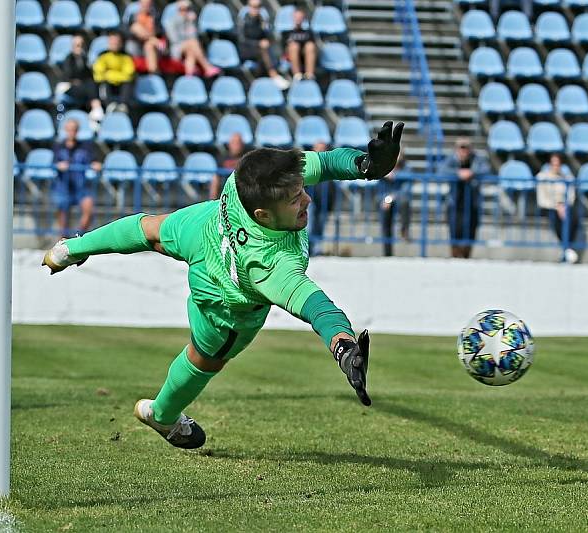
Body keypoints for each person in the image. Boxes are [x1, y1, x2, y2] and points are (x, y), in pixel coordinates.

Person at [43, 121, 405, 449]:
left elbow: (324, 165)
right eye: (296, 199)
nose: (306, 197)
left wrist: (366, 165)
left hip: (206, 226)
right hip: (223, 303)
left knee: (150, 229)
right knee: (204, 360)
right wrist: (342, 345)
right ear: (263, 215)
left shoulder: (248, 179)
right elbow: (316, 306)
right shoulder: (270, 266)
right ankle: (162, 415)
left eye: (301, 191)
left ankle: (68, 248)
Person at [440, 138, 489, 259]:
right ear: (456, 149)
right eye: (461, 148)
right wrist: (458, 173)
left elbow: (486, 169)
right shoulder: (451, 159)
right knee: (454, 229)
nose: (464, 151)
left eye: (466, 147)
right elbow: (442, 171)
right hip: (455, 201)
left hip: (473, 202)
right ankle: (455, 255)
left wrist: (472, 172)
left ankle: (466, 255)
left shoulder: (477, 159)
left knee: (471, 230)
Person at [52, 119, 102, 238]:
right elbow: (53, 164)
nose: (71, 132)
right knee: (61, 207)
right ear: (65, 130)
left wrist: (96, 165)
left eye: (74, 129)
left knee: (89, 207)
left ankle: (77, 237)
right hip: (63, 187)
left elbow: (95, 162)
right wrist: (59, 166)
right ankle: (62, 240)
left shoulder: (86, 146)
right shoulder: (58, 146)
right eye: (69, 129)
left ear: (77, 131)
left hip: (81, 187)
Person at [536, 154, 580, 263]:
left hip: (564, 207)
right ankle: (567, 248)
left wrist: (563, 206)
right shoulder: (542, 177)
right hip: (549, 207)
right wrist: (556, 207)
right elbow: (542, 200)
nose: (556, 166)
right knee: (555, 218)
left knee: (574, 217)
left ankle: (566, 249)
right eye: (553, 164)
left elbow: (571, 196)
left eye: (558, 164)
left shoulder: (567, 177)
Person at [239, 0, 290, 89]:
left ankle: (261, 82)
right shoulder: (243, 22)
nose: (256, 9)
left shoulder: (262, 21)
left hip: (261, 51)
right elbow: (242, 40)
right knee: (263, 49)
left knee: (269, 49)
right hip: (246, 50)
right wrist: (258, 43)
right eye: (254, 6)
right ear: (248, 7)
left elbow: (269, 37)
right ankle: (274, 75)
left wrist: (266, 27)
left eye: (258, 6)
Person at [163, 0, 221, 77]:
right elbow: (175, 40)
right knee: (192, 43)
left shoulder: (190, 22)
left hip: (190, 47)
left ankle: (189, 77)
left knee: (191, 54)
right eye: (183, 9)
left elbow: (195, 36)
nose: (185, 12)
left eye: (187, 9)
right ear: (178, 10)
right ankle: (207, 67)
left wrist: (191, 23)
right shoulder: (171, 22)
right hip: (176, 49)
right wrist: (184, 21)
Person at [57, 33, 104, 125]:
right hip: (70, 88)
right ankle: (96, 108)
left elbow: (89, 76)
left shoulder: (85, 59)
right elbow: (68, 76)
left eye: (81, 45)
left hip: (83, 88)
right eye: (77, 45)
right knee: (90, 85)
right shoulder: (69, 59)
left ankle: (95, 111)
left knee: (91, 84)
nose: (79, 47)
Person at [93, 30, 136, 111]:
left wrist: (109, 74)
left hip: (121, 86)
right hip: (108, 85)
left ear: (121, 43)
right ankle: (109, 106)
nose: (114, 44)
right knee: (103, 83)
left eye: (117, 42)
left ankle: (123, 106)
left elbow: (129, 74)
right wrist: (117, 75)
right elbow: (99, 73)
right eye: (112, 42)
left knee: (128, 83)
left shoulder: (126, 56)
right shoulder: (102, 55)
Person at [306, 141, 334, 256]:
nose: (320, 151)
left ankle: (316, 249)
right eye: (317, 149)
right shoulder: (308, 164)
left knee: (320, 225)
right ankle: (308, 249)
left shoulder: (330, 167)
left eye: (322, 149)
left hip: (325, 202)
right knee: (309, 225)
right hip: (309, 201)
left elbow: (333, 188)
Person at [379, 151, 410, 257]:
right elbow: (379, 189)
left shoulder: (406, 167)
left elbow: (406, 190)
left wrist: (395, 175)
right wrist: (387, 199)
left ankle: (404, 230)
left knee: (404, 202)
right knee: (385, 215)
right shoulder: (382, 166)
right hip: (385, 199)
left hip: (398, 199)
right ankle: (387, 252)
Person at [127, 0, 165, 74]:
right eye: (144, 4)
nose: (146, 6)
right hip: (137, 45)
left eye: (148, 4)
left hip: (155, 47)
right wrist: (149, 36)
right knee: (136, 27)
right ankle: (154, 74)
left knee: (149, 45)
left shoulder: (156, 16)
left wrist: (151, 34)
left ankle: (153, 73)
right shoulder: (133, 16)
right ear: (140, 4)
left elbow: (160, 33)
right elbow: (127, 32)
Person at [210, 132, 247, 200]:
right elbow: (216, 178)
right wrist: (213, 198)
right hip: (224, 194)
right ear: (229, 144)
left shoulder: (246, 159)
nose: (236, 145)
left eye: (238, 143)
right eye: (234, 142)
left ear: (242, 144)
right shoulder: (222, 159)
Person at [283, 7, 317, 81]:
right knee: (294, 46)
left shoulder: (308, 32)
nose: (298, 19)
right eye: (296, 17)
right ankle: (297, 75)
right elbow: (284, 49)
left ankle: (310, 75)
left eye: (300, 17)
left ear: (303, 18)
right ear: (293, 18)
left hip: (305, 55)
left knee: (310, 46)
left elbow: (314, 48)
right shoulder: (287, 33)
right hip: (291, 56)